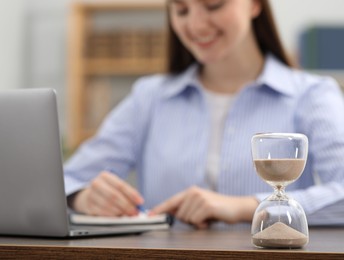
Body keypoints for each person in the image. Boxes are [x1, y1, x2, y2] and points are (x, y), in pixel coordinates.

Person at [64, 0, 344, 229]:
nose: (196, 25)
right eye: (181, 10)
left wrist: (245, 207)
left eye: (213, 5)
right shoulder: (148, 98)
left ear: (255, 4)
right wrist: (83, 197)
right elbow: (65, 179)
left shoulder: (312, 96)